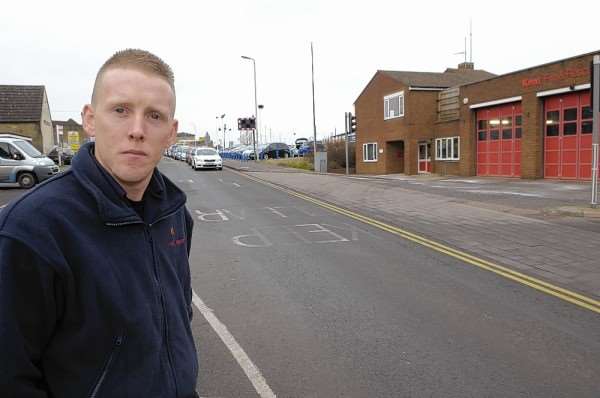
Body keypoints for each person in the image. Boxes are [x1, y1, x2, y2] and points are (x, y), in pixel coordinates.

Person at [0, 49, 199, 397]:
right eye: (121, 110)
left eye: (154, 116)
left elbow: (177, 319)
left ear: (171, 132)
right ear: (90, 120)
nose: (137, 130)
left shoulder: (174, 216)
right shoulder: (30, 230)